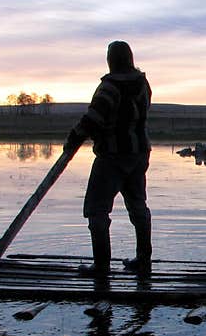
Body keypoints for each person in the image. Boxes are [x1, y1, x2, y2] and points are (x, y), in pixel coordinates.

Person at [64, 40, 153, 278]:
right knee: (138, 206)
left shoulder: (109, 88)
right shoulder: (143, 84)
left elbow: (93, 119)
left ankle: (101, 266)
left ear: (111, 60)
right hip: (139, 154)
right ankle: (144, 259)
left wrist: (74, 138)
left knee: (97, 209)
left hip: (113, 157)